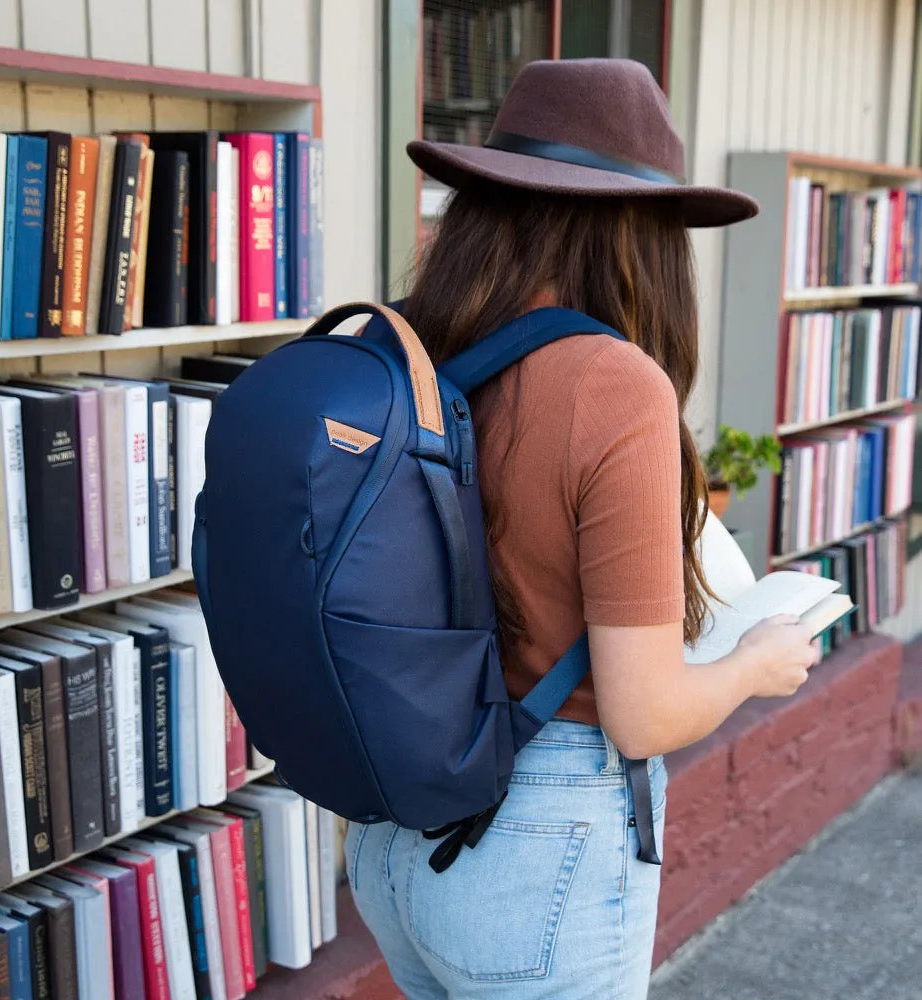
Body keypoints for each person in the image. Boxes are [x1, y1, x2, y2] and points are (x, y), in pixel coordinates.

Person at [344, 58, 817, 1000]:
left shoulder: (406, 349)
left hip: (393, 837)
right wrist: (756, 666)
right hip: (536, 844)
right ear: (640, 236)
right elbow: (643, 715)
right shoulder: (613, 386)